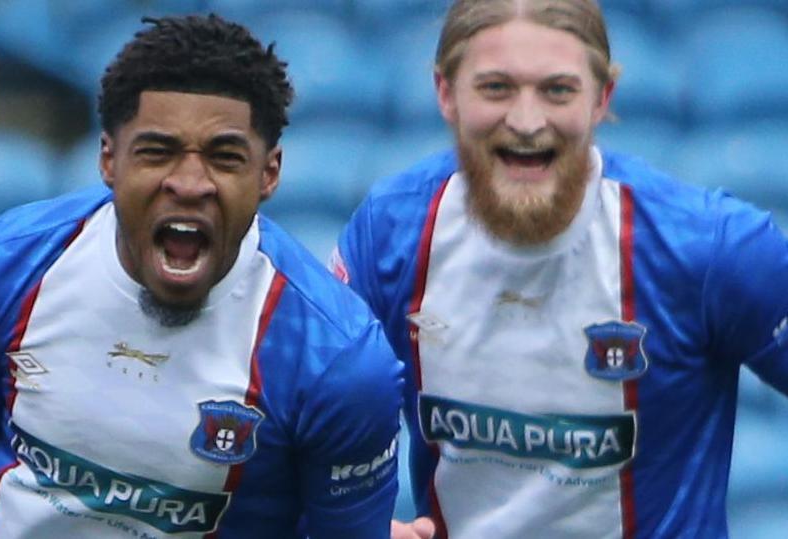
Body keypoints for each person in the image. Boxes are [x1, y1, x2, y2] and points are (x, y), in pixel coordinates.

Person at [0, 14, 404, 539]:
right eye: (158, 152)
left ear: (268, 173)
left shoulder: (338, 363)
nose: (189, 183)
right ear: (109, 159)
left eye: (225, 158)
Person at [333, 1, 788, 537]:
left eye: (557, 90)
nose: (527, 121)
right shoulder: (391, 232)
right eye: (496, 87)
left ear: (602, 99)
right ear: (445, 94)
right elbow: (294, 420)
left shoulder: (712, 248)